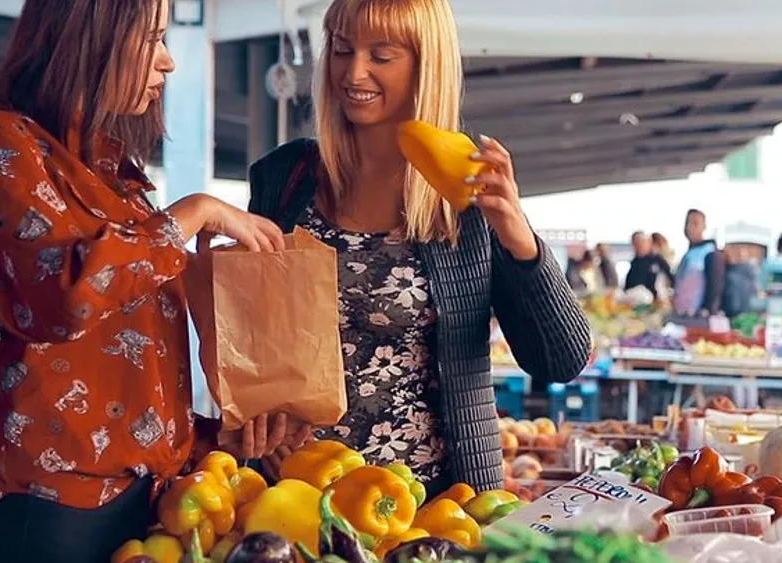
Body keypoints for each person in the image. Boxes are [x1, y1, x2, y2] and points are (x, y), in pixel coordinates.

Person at [0, 1, 298, 561]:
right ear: (89, 39)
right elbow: (63, 300)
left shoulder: (114, 174)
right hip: (41, 509)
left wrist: (210, 437)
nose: (168, 62)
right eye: (152, 40)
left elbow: (126, 369)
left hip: (137, 505)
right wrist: (193, 213)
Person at [244, 0, 591, 497]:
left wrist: (518, 236)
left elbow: (562, 360)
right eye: (342, 49)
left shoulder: (469, 191)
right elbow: (248, 330)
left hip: (435, 504)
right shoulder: (285, 177)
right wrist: (257, 414)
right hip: (294, 495)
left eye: (381, 56)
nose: (353, 72)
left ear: (426, 65)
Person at [673, 209, 721, 316]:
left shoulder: (710, 252)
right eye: (687, 223)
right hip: (682, 314)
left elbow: (715, 286)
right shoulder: (688, 253)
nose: (690, 227)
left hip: (698, 316)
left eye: (695, 223)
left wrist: (707, 310)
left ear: (704, 227)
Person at [624, 231, 674, 300]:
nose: (640, 245)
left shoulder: (658, 260)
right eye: (636, 243)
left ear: (649, 243)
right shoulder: (634, 263)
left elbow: (670, 279)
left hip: (655, 300)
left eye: (642, 242)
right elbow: (628, 286)